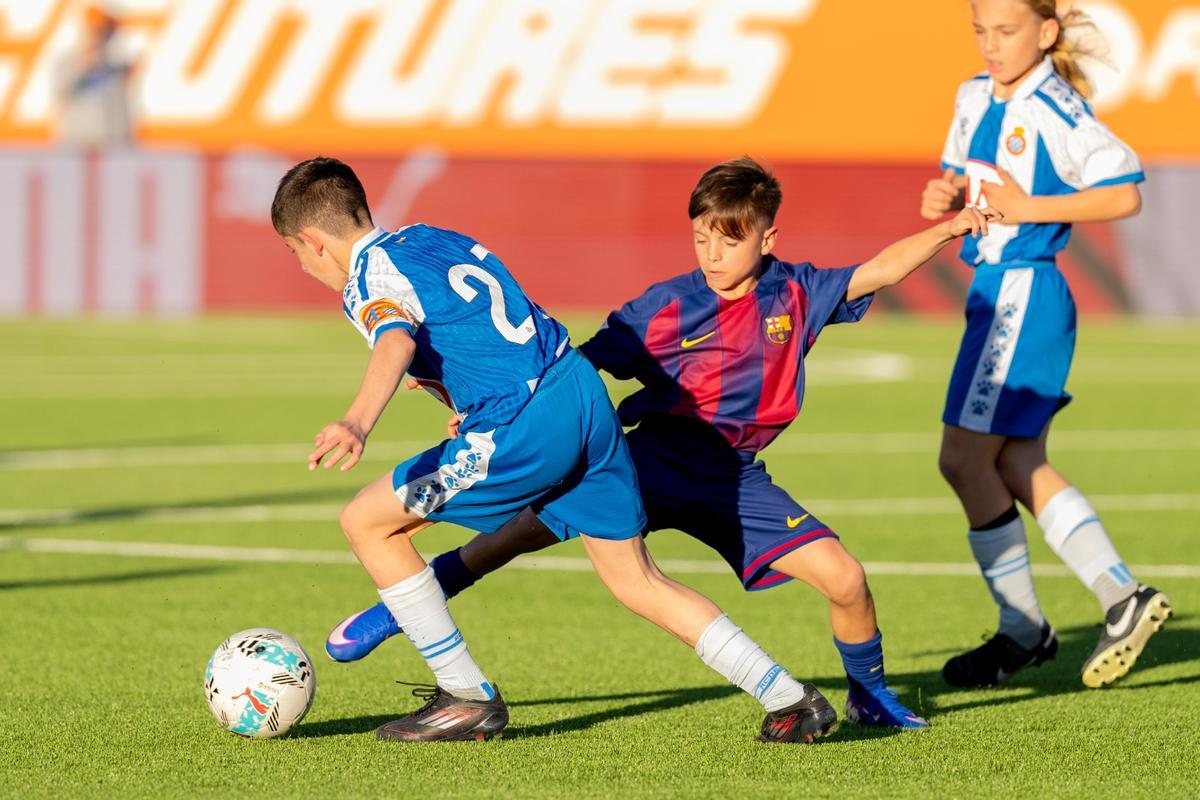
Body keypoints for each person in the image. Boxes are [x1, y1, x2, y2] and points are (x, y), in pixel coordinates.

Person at [325, 157, 998, 728]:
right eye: (701, 238)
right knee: (513, 533)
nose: (712, 255)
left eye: (729, 241)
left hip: (733, 478)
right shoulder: (666, 306)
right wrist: (489, 402)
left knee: (846, 579)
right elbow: (575, 364)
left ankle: (870, 697)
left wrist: (949, 229)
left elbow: (879, 270)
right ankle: (402, 606)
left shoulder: (798, 291)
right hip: (649, 458)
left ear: (768, 239)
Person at [921, 0, 1171, 689]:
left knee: (963, 458)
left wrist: (1030, 208)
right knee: (1016, 460)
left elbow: (1123, 192)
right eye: (981, 30)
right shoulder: (973, 94)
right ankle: (1117, 598)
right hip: (995, 290)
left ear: (1047, 32)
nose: (991, 44)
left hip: (1022, 290)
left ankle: (1027, 628)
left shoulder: (1054, 107)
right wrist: (945, 195)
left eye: (1007, 31)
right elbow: (964, 178)